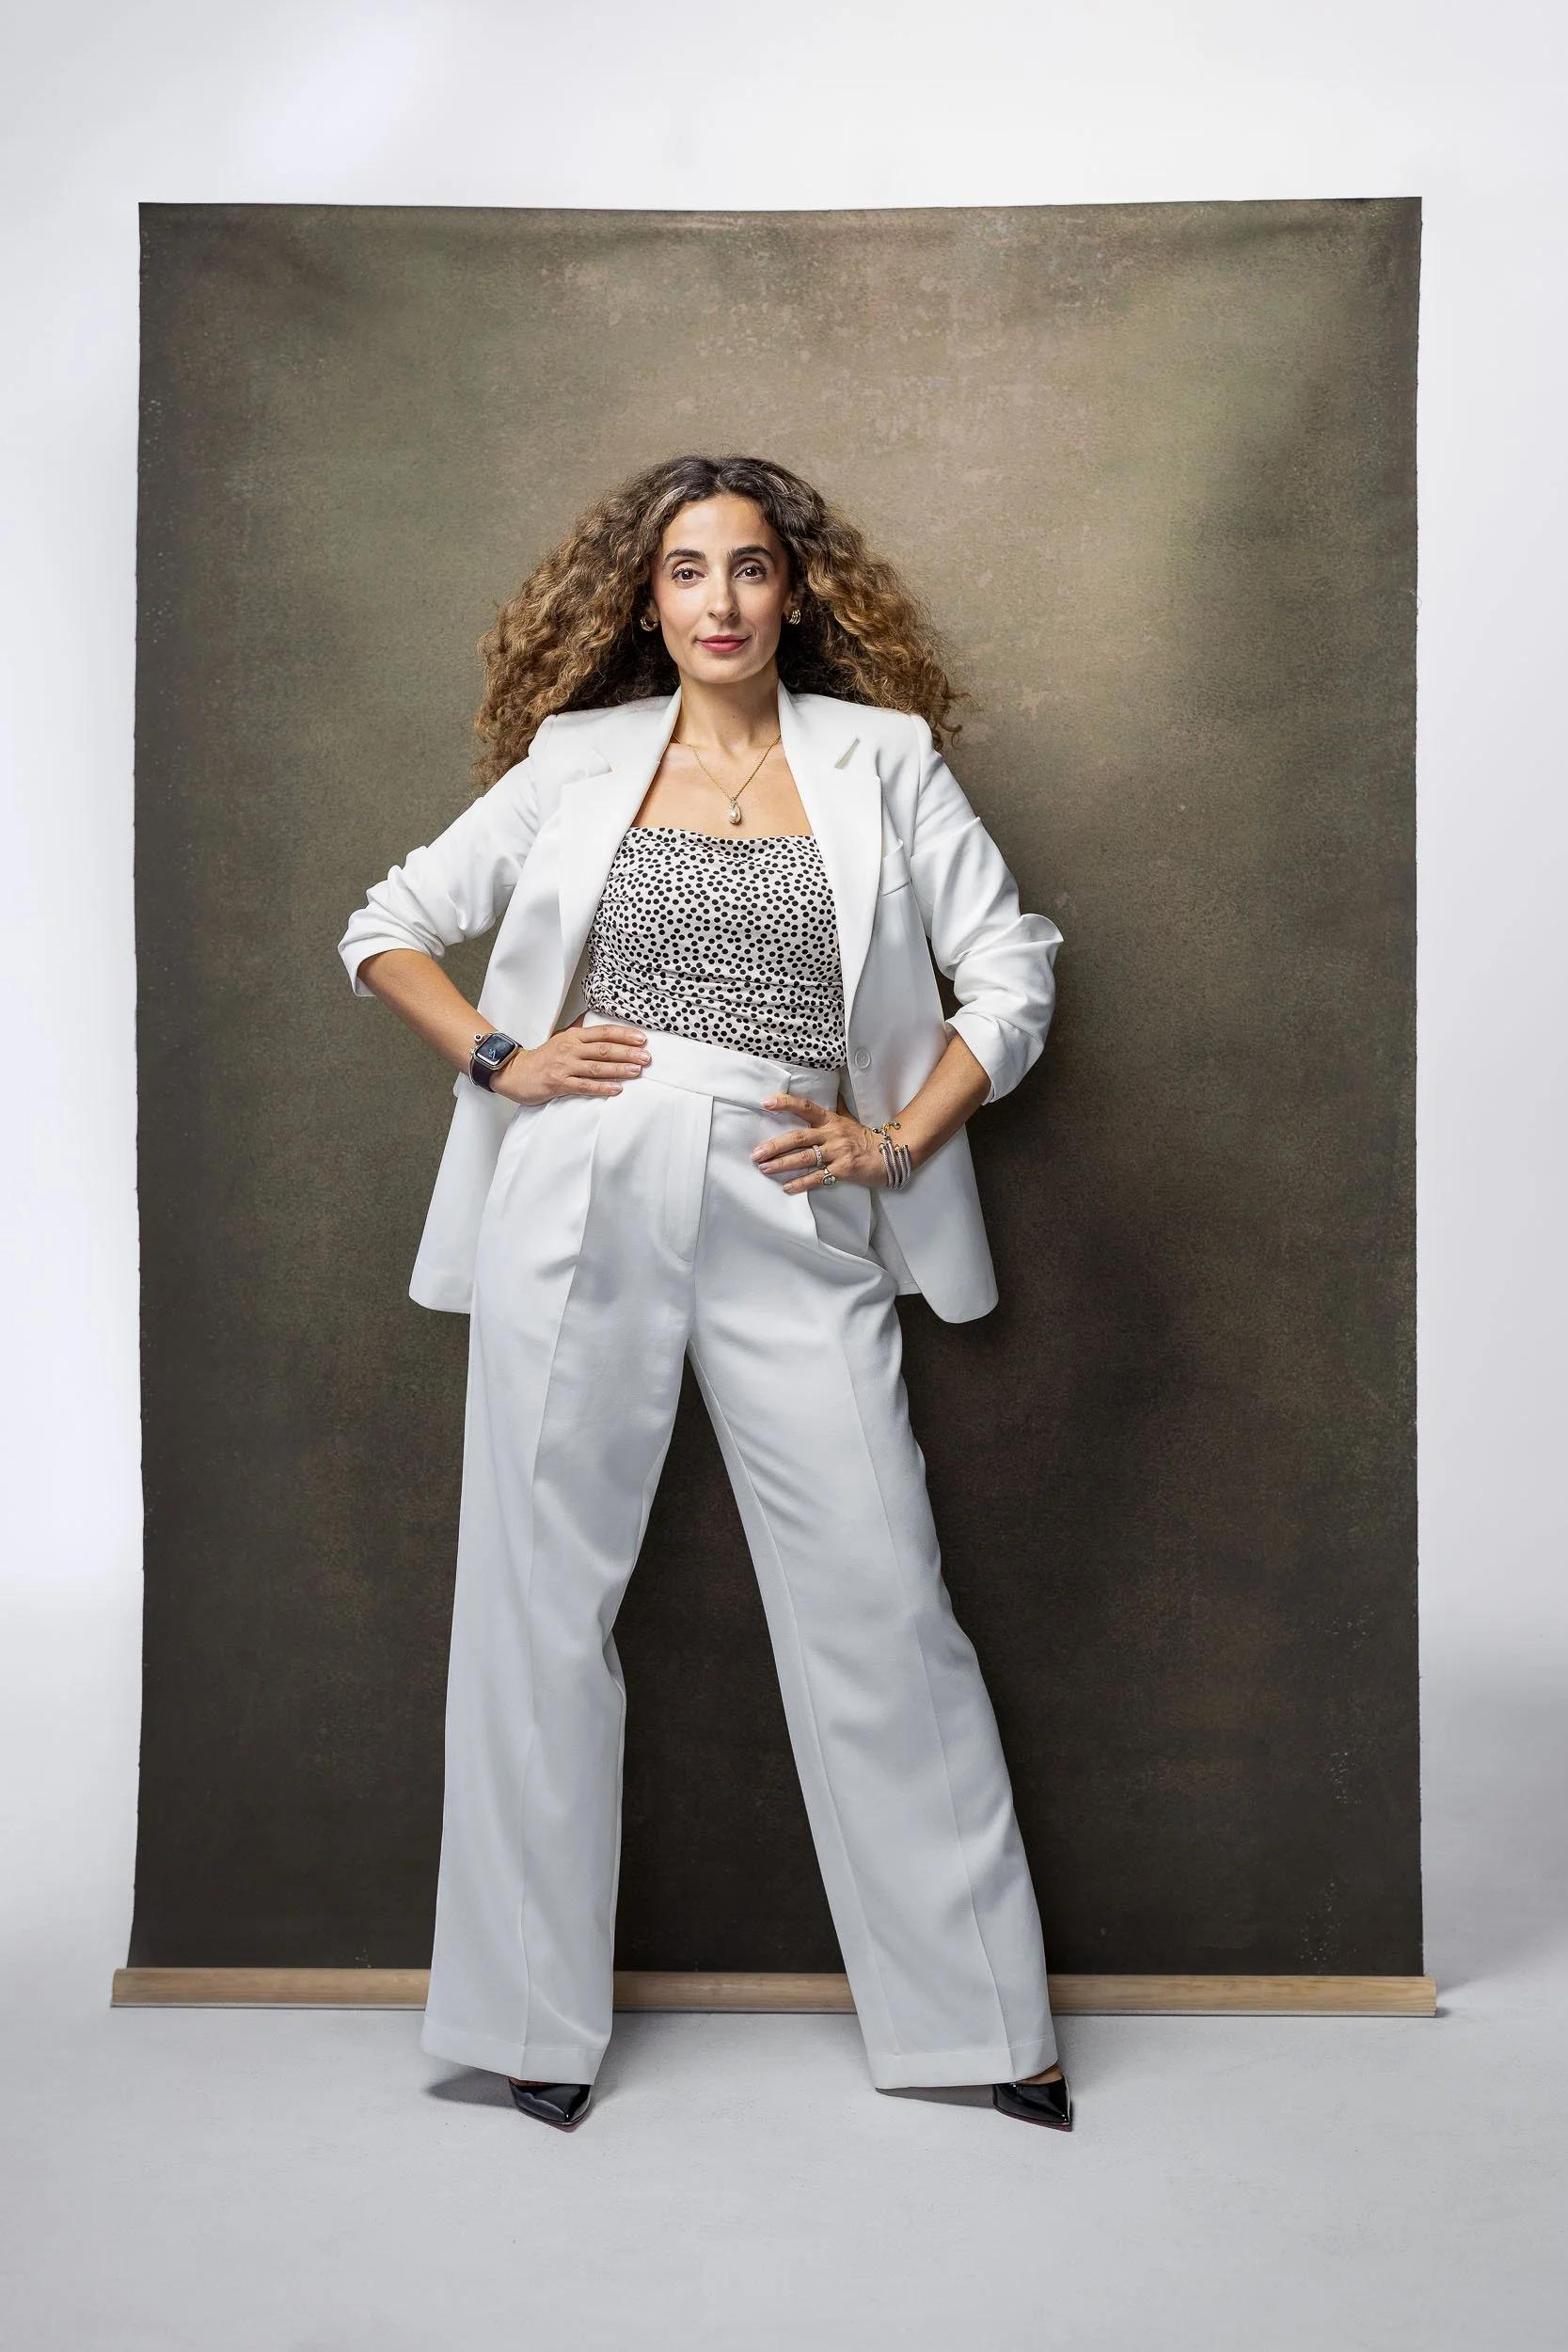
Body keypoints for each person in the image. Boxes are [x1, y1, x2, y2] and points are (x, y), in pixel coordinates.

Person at [337, 453, 1069, 2135]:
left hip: (786, 1176)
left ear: (793, 593)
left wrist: (892, 1139)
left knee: (879, 1587)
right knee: (537, 1594)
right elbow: (387, 925)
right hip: (579, 1174)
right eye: (685, 572)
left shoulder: (882, 760)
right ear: (645, 597)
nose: (720, 602)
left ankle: (979, 2023)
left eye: (749, 570)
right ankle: (527, 2023)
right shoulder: (577, 757)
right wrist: (502, 1057)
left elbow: (1010, 965)